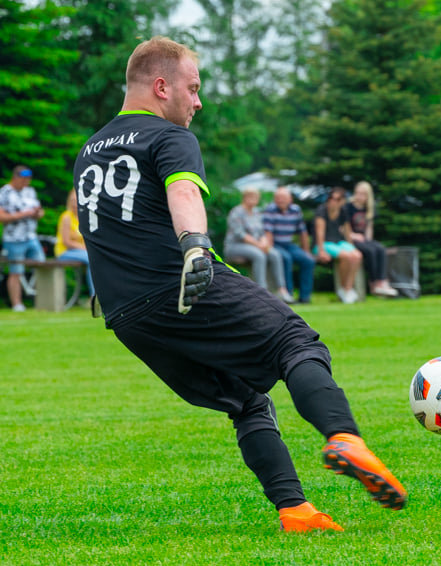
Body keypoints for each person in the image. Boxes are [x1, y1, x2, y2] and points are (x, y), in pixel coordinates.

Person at [71, 36, 405, 533]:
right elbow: (182, 191)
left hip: (127, 316)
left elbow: (98, 226)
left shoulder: (89, 151)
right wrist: (196, 246)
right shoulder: (168, 136)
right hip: (179, 286)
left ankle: (296, 510)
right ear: (162, 87)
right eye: (193, 88)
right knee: (297, 343)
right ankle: (344, 437)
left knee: (246, 399)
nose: (198, 101)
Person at [224, 187, 293, 303]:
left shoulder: (257, 212)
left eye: (255, 197)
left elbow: (262, 232)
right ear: (244, 198)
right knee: (259, 255)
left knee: (275, 254)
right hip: (235, 246)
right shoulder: (236, 212)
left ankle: (282, 290)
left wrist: (264, 242)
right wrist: (258, 245)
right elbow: (240, 235)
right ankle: (262, 291)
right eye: (251, 197)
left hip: (256, 245)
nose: (253, 200)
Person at [0, 165, 45, 312]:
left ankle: (43, 300)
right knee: (16, 271)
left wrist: (37, 213)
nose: (26, 182)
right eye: (23, 179)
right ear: (15, 177)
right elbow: (2, 217)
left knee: (43, 267)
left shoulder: (30, 191)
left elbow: (40, 212)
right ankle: (17, 304)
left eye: (28, 180)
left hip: (31, 236)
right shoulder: (4, 192)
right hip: (13, 239)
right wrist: (23, 214)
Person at [263, 186, 315, 304]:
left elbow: (302, 232)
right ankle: (288, 295)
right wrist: (270, 250)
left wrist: (306, 251)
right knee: (286, 258)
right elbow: (268, 233)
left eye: (283, 198)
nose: (280, 200)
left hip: (289, 244)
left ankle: (305, 297)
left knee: (308, 261)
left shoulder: (296, 210)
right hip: (275, 244)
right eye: (278, 198)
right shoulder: (270, 210)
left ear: (290, 199)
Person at [346, 181, 398, 297]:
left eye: (363, 194)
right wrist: (354, 235)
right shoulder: (348, 207)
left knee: (380, 248)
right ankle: (374, 283)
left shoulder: (369, 208)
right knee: (370, 251)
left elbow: (369, 228)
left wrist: (369, 241)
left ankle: (382, 282)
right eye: (358, 193)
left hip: (363, 239)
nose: (359, 197)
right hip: (350, 239)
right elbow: (343, 228)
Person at [314, 187, 363, 304]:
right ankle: (344, 288)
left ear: (342, 201)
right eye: (332, 198)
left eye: (337, 199)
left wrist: (352, 247)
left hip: (337, 243)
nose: (333, 202)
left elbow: (347, 230)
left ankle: (348, 288)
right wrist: (321, 251)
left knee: (357, 255)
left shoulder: (343, 211)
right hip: (323, 244)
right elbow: (319, 233)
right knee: (346, 256)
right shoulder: (322, 210)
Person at [55, 189, 95, 298]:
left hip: (80, 251)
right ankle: (94, 295)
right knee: (91, 258)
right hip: (64, 252)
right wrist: (84, 248)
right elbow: (66, 242)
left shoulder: (82, 218)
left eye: (76, 200)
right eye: (72, 200)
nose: (74, 203)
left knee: (98, 257)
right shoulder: (66, 217)